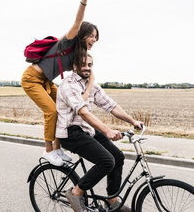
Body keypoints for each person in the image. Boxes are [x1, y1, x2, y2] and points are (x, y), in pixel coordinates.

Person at [21, 0, 99, 166]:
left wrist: (86, 94)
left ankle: (58, 148)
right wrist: (84, 1)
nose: (94, 40)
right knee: (52, 111)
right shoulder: (68, 41)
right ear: (82, 35)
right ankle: (49, 151)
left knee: (64, 110)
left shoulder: (79, 54)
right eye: (91, 36)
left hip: (47, 82)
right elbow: (77, 23)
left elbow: (91, 73)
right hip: (32, 79)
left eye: (96, 37)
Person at [56, 54, 143, 212]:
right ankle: (75, 193)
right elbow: (83, 112)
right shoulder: (68, 85)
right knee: (107, 161)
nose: (87, 67)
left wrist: (132, 121)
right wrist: (107, 130)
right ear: (74, 66)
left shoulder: (91, 84)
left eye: (90, 64)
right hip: (70, 132)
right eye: (83, 64)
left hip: (86, 130)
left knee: (118, 157)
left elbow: (110, 105)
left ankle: (112, 199)